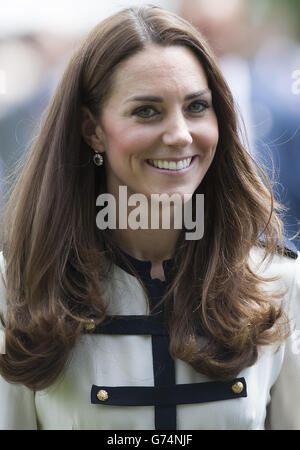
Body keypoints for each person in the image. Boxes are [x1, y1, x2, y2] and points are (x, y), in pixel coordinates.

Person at [0, 5, 299, 431]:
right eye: (147, 111)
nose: (179, 134)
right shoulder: (16, 289)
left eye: (197, 106)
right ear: (92, 130)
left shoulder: (280, 286)